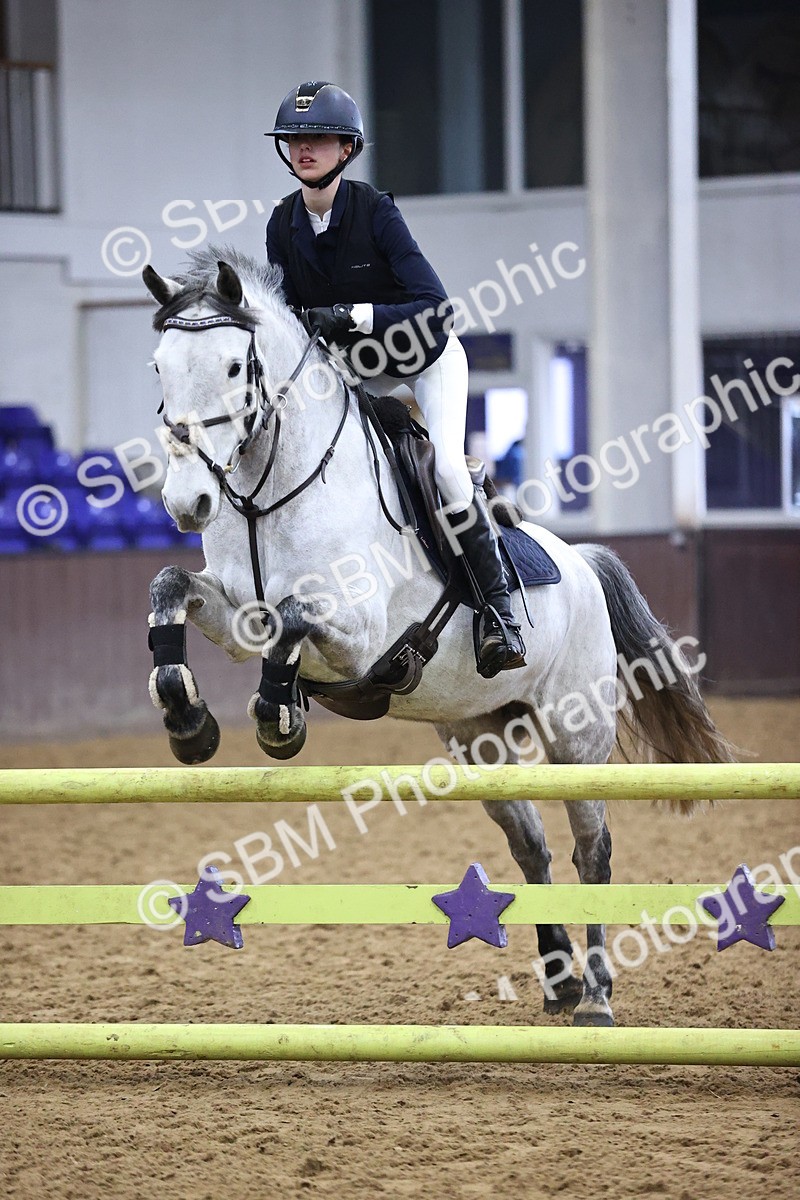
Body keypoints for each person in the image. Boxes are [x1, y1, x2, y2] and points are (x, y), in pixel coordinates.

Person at [265, 80, 525, 678]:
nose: (305, 149)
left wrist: (354, 315)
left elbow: (437, 306)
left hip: (424, 358)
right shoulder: (283, 226)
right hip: (356, 374)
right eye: (295, 140)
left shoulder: (377, 212)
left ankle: (498, 612)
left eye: (319, 138)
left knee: (449, 471)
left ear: (347, 149)